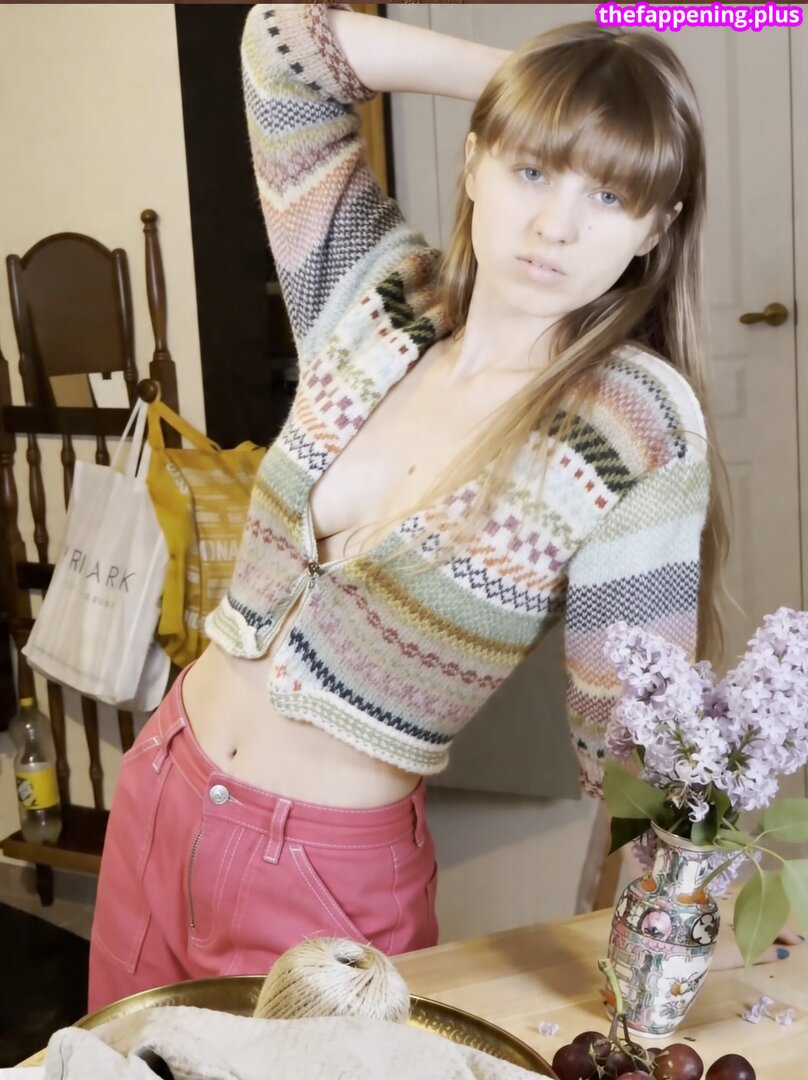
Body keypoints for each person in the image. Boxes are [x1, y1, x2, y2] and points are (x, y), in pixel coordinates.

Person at [87, 3, 798, 1010]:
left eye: (608, 192)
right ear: (475, 161)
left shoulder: (631, 422)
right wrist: (538, 87)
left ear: (656, 226)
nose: (556, 225)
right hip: (163, 782)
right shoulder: (377, 295)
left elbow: (633, 733)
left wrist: (655, 941)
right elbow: (282, 50)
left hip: (323, 877)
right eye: (532, 168)